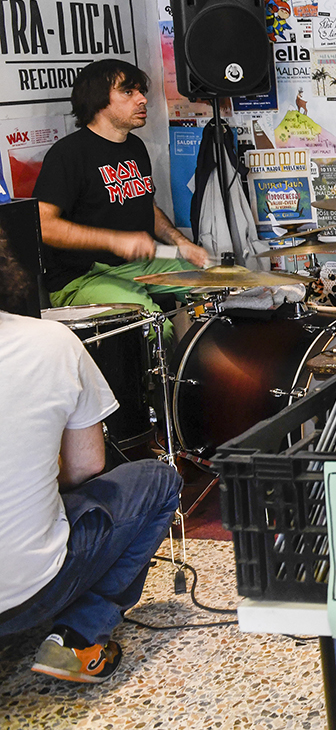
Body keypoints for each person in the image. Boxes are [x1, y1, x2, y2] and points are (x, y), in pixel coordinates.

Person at [0, 226, 182, 683]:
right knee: (158, 482)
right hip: (26, 596)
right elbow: (87, 467)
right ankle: (78, 640)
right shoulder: (51, 342)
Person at [35, 58, 212, 318]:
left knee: (213, 289)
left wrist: (181, 243)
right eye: (128, 92)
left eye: (141, 92)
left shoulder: (135, 148)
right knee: (150, 322)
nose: (142, 99)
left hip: (137, 265)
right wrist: (114, 240)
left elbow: (147, 209)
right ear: (97, 99)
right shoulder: (69, 153)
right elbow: (42, 225)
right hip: (83, 277)